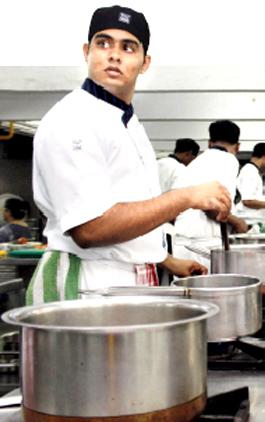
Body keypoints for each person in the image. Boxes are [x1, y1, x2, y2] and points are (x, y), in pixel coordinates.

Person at [29, 5, 231, 304]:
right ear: (87, 51)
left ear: (144, 62)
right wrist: (186, 197)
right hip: (88, 289)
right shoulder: (72, 120)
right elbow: (90, 228)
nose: (114, 54)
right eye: (103, 43)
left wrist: (164, 259)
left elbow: (129, 212)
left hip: (124, 281)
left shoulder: (126, 121)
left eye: (128, 47)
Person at [172, 120, 249, 269]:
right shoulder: (228, 160)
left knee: (186, 292)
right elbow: (214, 208)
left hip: (182, 244)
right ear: (238, 146)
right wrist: (238, 222)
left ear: (209, 143)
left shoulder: (197, 162)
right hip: (203, 246)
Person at [235, 142, 265, 231]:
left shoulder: (253, 172)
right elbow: (248, 201)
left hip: (251, 223)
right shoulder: (249, 172)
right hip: (247, 224)